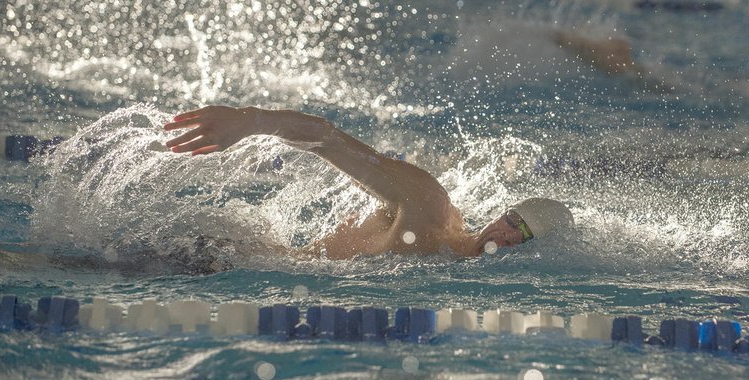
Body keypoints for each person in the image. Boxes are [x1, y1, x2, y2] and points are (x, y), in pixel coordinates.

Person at [164, 106, 574, 260]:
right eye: (514, 221)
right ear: (503, 213)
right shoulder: (429, 206)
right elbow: (327, 138)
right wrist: (250, 120)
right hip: (224, 259)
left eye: (525, 238)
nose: (509, 237)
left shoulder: (458, 275)